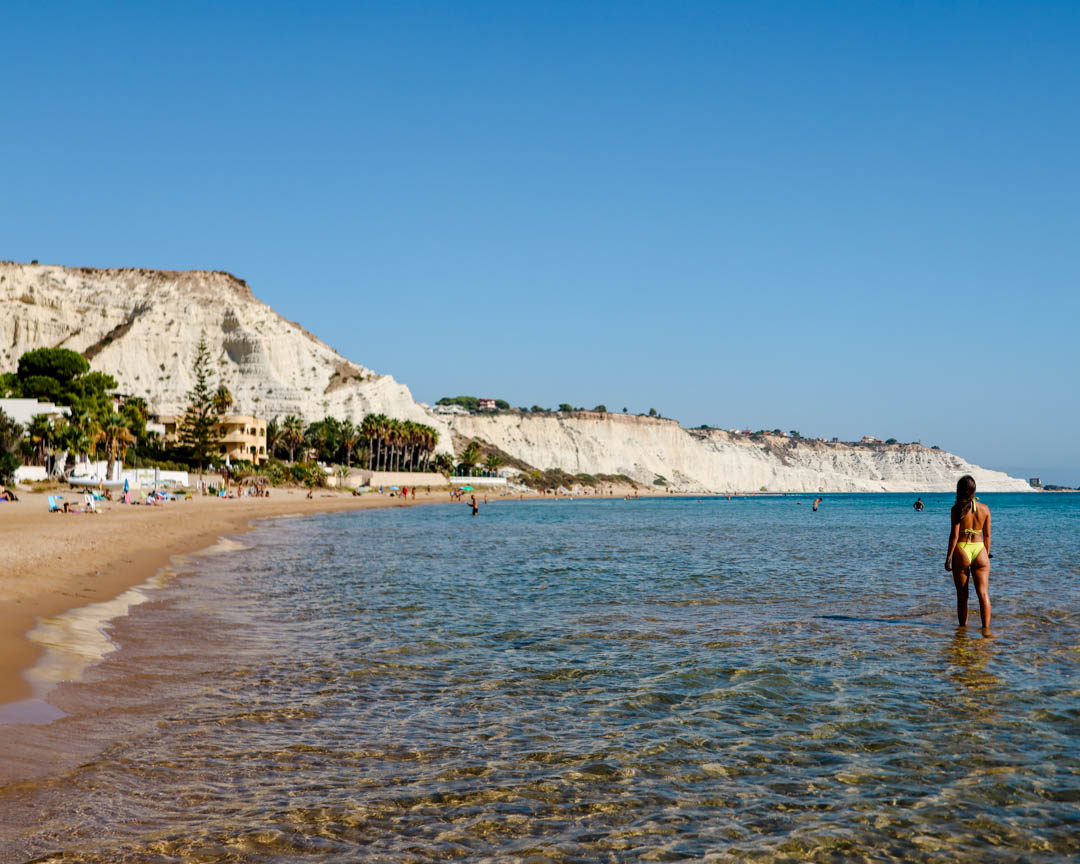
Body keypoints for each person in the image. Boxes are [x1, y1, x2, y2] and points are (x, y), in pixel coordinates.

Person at [945, 474, 991, 629]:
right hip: (980, 550)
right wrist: (986, 555)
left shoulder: (956, 509)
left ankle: (962, 632)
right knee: (983, 594)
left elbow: (954, 536)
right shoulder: (985, 509)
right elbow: (987, 536)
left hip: (962, 549)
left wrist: (948, 558)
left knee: (962, 595)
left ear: (959, 491)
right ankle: (986, 631)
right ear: (974, 491)